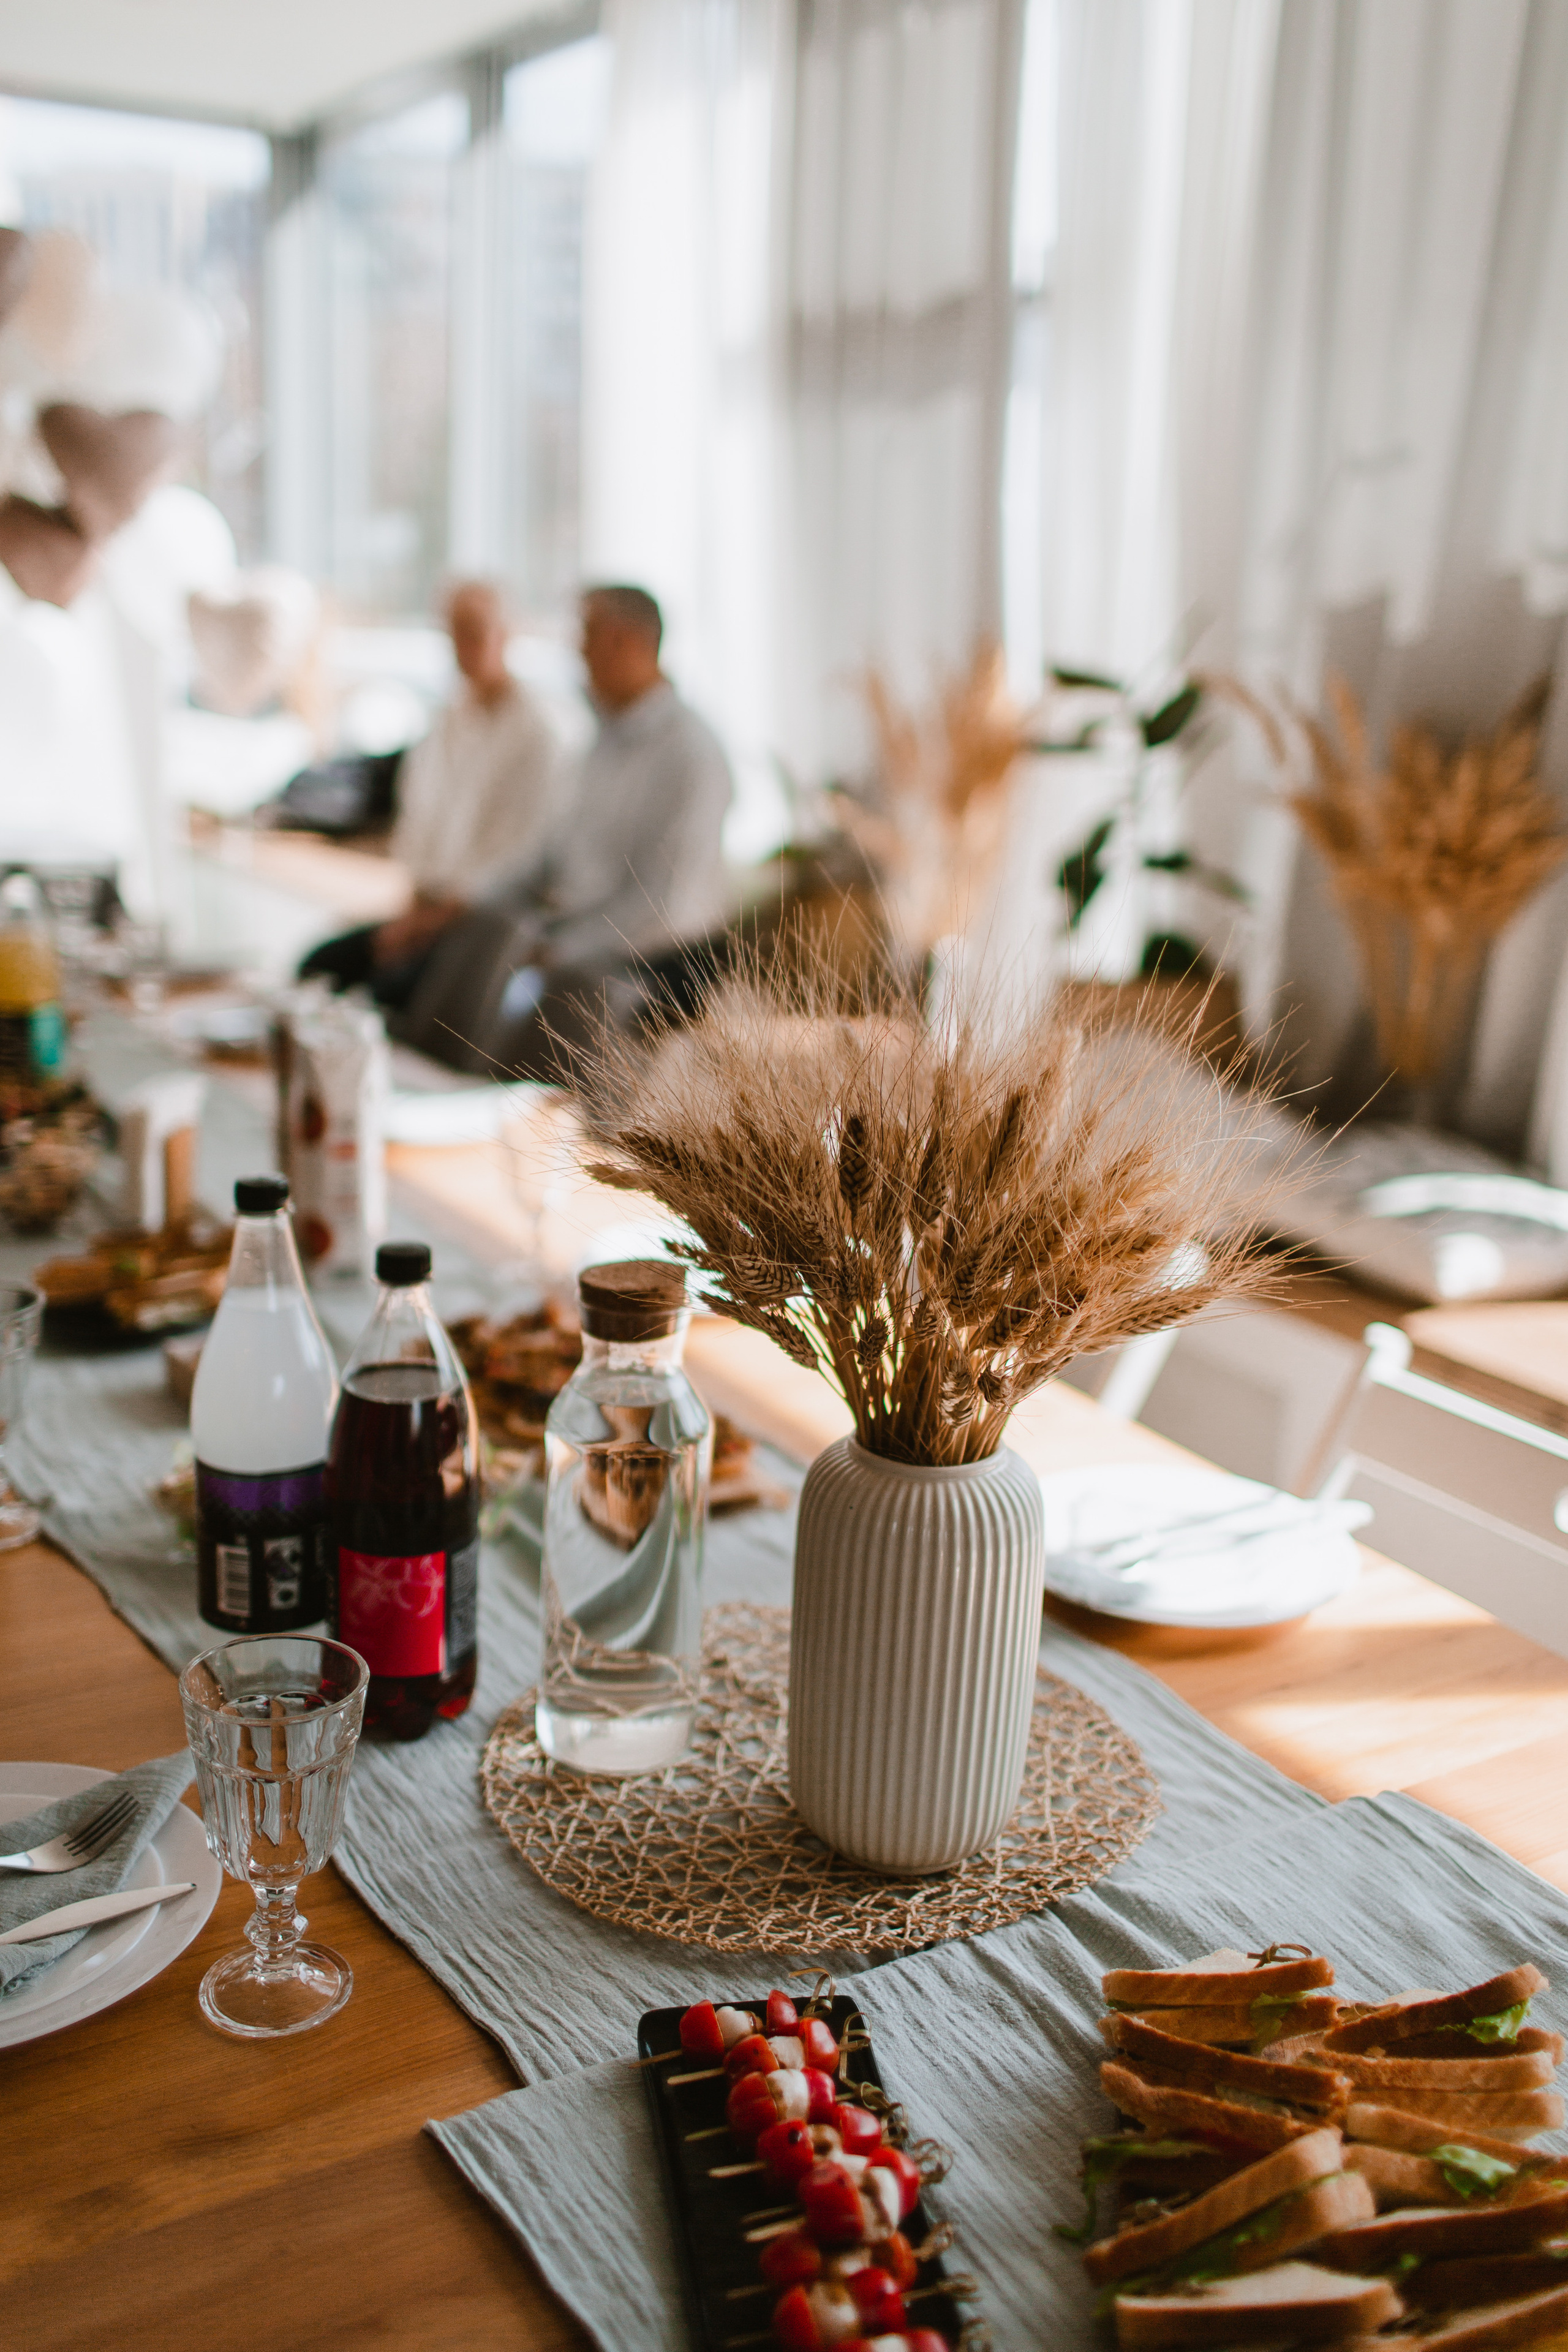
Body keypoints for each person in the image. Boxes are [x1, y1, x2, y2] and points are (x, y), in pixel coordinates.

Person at [399, 584, 735, 1076]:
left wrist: (554, 949)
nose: (577, 651)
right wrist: (465, 902)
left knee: (523, 1032)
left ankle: (492, 1102)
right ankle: (436, 1084)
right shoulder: (600, 741)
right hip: (576, 934)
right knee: (476, 946)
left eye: (588, 635)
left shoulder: (693, 754)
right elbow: (545, 856)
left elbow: (659, 905)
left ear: (628, 642)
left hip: (654, 958)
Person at [299, 580, 559, 1009]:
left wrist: (426, 923)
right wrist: (408, 917)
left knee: (379, 998)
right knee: (319, 966)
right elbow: (419, 826)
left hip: (483, 924)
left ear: (506, 634)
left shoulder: (538, 735)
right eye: (455, 634)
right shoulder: (447, 722)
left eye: (476, 631)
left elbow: (519, 861)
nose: (465, 647)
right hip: (424, 911)